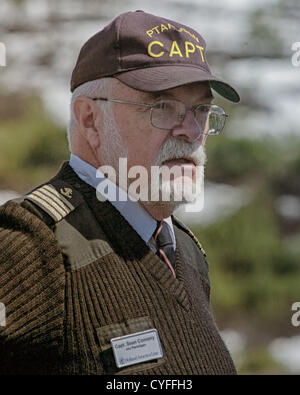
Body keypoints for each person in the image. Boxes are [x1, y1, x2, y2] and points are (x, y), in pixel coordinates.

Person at [0, 10, 240, 375]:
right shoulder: (31, 247)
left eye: (202, 110)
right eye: (163, 107)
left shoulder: (185, 251)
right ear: (90, 120)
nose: (192, 131)